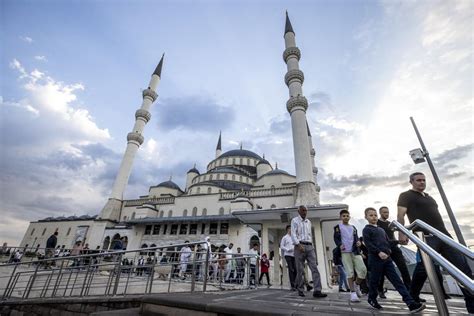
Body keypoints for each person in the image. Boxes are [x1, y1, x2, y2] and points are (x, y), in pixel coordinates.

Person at [398, 172, 473, 313]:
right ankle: (412, 296)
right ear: (411, 182)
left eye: (424, 180)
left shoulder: (430, 198)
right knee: (424, 268)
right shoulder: (405, 195)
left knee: (462, 268)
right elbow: (400, 215)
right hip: (426, 236)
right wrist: (401, 232)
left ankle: (472, 305)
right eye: (418, 180)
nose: (422, 182)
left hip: (443, 235)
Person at [363, 207, 425, 313]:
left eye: (375, 215)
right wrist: (379, 252)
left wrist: (399, 242)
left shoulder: (381, 230)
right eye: (371, 215)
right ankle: (372, 298)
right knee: (374, 282)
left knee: (397, 281)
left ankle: (411, 303)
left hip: (387, 260)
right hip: (376, 261)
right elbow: (368, 244)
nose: (373, 217)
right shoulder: (367, 229)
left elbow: (388, 242)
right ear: (366, 217)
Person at [290, 205, 327, 298]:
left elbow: (310, 235)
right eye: (303, 210)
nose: (304, 212)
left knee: (314, 268)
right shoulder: (294, 221)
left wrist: (312, 246)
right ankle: (301, 290)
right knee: (300, 269)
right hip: (299, 246)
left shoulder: (308, 222)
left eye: (306, 210)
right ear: (298, 211)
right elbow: (293, 234)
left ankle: (317, 290)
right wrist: (298, 245)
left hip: (309, 246)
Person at [377, 206, 411, 298]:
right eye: (384, 212)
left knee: (404, 268)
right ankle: (380, 289)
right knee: (383, 271)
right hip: (384, 249)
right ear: (380, 213)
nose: (386, 214)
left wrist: (401, 241)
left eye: (387, 212)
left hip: (394, 247)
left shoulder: (390, 224)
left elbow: (396, 234)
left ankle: (410, 291)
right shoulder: (377, 223)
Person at [333, 209, 367, 302]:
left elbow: (356, 239)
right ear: (340, 217)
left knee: (363, 270)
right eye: (343, 216)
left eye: (347, 216)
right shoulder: (337, 227)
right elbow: (336, 238)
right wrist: (340, 245)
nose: (346, 217)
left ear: (349, 217)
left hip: (355, 251)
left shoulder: (353, 228)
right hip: (345, 253)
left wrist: (359, 243)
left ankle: (356, 285)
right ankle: (353, 293)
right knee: (350, 272)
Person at [280, 225, 297, 291]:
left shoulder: (294, 237)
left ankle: (296, 284)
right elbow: (281, 246)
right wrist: (287, 249)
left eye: (291, 229)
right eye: (289, 228)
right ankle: (292, 285)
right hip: (288, 255)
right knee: (291, 269)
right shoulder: (285, 237)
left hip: (294, 255)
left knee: (295, 269)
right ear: (287, 230)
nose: (291, 230)